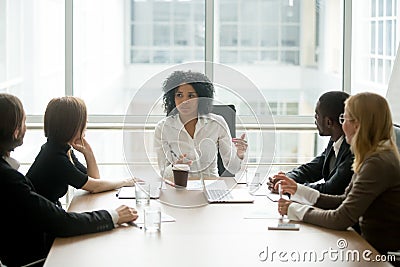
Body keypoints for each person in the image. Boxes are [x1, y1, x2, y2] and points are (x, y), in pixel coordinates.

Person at [0, 94, 138, 267]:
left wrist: (89, 154)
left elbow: (92, 180)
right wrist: (114, 214)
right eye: (24, 122)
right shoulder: (21, 172)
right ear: (14, 130)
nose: (26, 128)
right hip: (33, 251)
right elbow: (64, 220)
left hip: (43, 232)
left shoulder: (63, 151)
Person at [276, 92, 400, 258]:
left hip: (379, 254)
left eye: (345, 119)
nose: (342, 126)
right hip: (366, 245)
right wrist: (297, 190)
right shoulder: (373, 155)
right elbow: (343, 200)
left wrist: (295, 210)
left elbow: (341, 218)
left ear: (358, 125)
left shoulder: (377, 163)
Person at [26, 97, 136, 207]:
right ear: (71, 126)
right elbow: (94, 186)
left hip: (46, 212)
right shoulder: (55, 157)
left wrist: (88, 153)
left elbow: (94, 180)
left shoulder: (60, 149)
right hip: (36, 219)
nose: (86, 125)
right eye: (84, 122)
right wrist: (125, 182)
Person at [154, 70, 247, 179]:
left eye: (191, 96)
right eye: (179, 95)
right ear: (172, 98)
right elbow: (163, 172)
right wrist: (175, 167)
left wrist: (239, 154)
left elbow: (233, 168)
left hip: (210, 185)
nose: (184, 101)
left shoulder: (217, 123)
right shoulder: (163, 128)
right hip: (180, 186)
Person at [268, 91, 353, 195]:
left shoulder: (352, 150)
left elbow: (330, 189)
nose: (315, 121)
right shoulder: (334, 142)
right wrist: (286, 179)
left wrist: (291, 188)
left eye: (317, 115)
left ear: (328, 122)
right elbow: (311, 169)